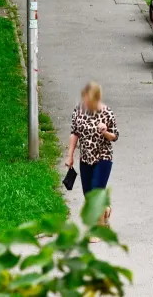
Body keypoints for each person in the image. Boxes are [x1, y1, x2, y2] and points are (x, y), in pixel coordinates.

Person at [65, 81, 119, 225]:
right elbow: (74, 133)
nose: (86, 102)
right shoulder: (79, 110)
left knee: (96, 191)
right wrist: (70, 155)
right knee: (88, 194)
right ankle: (105, 209)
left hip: (103, 157)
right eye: (84, 98)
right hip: (86, 158)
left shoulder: (107, 112)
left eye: (89, 99)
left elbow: (114, 136)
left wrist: (105, 131)